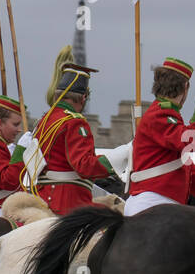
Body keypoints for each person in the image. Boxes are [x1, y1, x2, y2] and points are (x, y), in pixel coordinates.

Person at [123, 58, 195, 216]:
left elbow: (189, 171)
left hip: (157, 202)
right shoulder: (160, 114)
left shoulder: (166, 114)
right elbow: (194, 141)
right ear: (185, 87)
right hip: (153, 203)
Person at [29, 64, 124, 213]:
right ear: (83, 97)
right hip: (69, 201)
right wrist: (121, 158)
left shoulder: (44, 121)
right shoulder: (74, 122)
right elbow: (84, 165)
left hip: (43, 197)